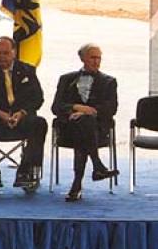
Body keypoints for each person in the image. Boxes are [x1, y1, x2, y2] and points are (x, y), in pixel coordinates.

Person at [0, 36, 47, 188]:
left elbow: (37, 98)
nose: (2, 57)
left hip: (21, 120)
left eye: (5, 53)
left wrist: (22, 113)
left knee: (40, 123)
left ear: (14, 53)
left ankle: (24, 171)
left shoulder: (27, 70)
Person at [50, 43, 120, 202]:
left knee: (85, 123)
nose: (96, 61)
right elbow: (56, 107)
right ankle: (97, 165)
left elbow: (111, 108)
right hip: (69, 127)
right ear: (82, 58)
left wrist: (86, 111)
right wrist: (75, 107)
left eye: (99, 58)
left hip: (97, 128)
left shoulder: (109, 82)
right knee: (82, 126)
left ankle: (77, 184)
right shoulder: (66, 79)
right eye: (92, 57)